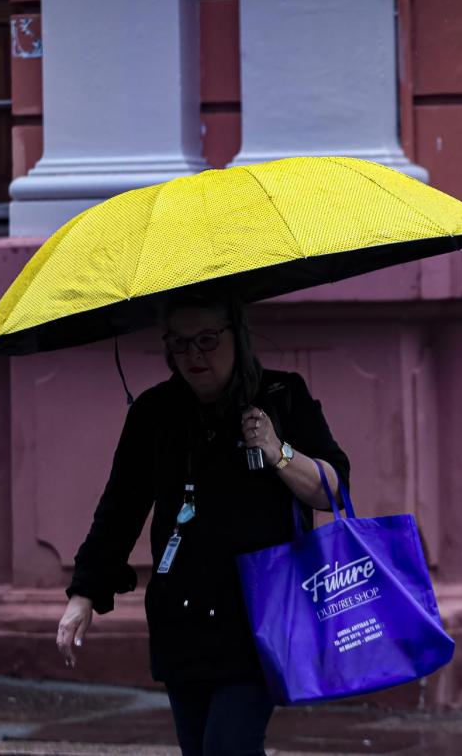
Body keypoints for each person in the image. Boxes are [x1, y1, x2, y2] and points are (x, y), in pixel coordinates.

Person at [54, 293, 350, 756]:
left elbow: (333, 490)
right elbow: (120, 508)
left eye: (208, 340)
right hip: (183, 621)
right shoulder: (155, 413)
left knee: (228, 747)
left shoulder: (280, 396)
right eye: (180, 342)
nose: (194, 355)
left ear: (237, 335)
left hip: (260, 616)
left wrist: (279, 451)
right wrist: (84, 593)